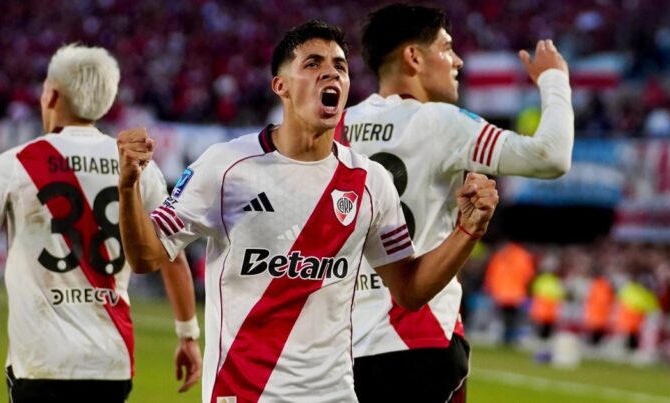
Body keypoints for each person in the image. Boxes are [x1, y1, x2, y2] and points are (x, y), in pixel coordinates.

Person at [116, 20, 499, 403]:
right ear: (280, 86)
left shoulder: (371, 181)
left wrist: (467, 232)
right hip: (244, 393)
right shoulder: (226, 166)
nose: (331, 71)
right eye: (313, 63)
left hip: (333, 395)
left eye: (340, 66)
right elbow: (147, 256)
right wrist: (129, 187)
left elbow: (410, 291)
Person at [341, 3, 574, 401]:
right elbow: (550, 156)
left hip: (341, 348)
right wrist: (554, 80)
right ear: (414, 57)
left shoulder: (336, 129)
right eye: (447, 48)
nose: (458, 61)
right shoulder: (439, 121)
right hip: (420, 339)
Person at [0, 44, 201, 402]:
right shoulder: (139, 168)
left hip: (41, 361)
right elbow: (172, 255)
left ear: (51, 95)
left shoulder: (14, 165)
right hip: (111, 359)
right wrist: (188, 335)